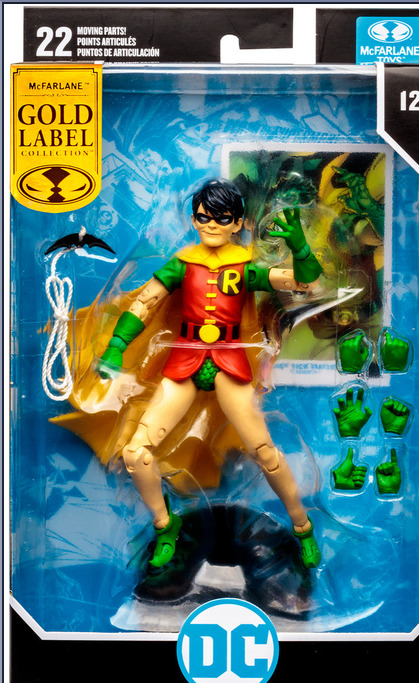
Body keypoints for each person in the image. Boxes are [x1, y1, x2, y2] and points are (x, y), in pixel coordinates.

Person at [99, 179, 323, 571]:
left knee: (265, 453)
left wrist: (301, 247)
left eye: (222, 218)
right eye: (204, 217)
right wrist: (117, 344)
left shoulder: (246, 266)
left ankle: (303, 527)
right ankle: (165, 525)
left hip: (229, 362)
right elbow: (145, 303)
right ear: (193, 219)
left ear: (237, 222)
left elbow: (307, 284)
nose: (212, 225)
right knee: (136, 453)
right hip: (185, 360)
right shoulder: (182, 263)